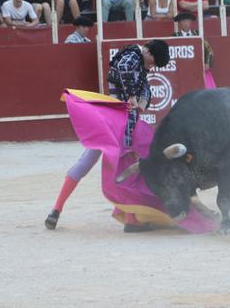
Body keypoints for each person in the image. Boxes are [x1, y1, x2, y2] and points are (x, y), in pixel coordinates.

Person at [45, 39, 170, 231]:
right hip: (119, 120)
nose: (151, 67)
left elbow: (145, 87)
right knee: (129, 162)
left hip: (112, 120)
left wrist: (144, 100)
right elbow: (123, 67)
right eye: (152, 62)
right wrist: (131, 96)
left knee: (88, 162)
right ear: (148, 51)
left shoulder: (139, 61)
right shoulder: (132, 56)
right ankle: (131, 221)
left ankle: (56, 209)